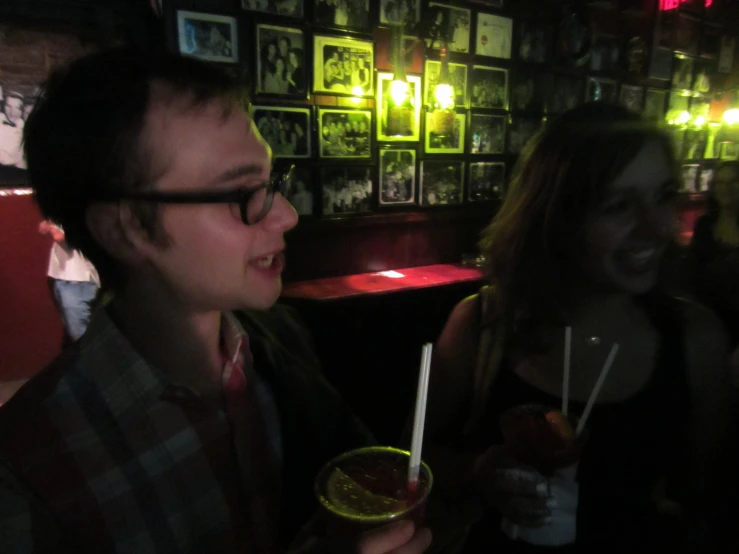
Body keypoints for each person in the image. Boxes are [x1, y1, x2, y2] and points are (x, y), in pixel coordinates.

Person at [0, 47, 432, 554]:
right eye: (240, 193)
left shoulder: (279, 342)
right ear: (127, 228)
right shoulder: (31, 470)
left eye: (270, 183)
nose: (287, 215)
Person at [422, 103, 736, 553]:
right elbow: (411, 459)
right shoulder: (481, 325)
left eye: (664, 195)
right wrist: (477, 473)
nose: (658, 226)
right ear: (556, 218)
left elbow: (712, 501)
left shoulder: (694, 338)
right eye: (618, 205)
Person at [690, 161, 739, 348]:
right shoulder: (704, 226)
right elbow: (695, 275)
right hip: (711, 323)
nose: (726, 188)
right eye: (719, 183)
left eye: (734, 181)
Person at [38, 219, 100, 341]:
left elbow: (62, 237)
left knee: (81, 336)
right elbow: (43, 227)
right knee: (75, 331)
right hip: (64, 276)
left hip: (78, 280)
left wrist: (51, 228)